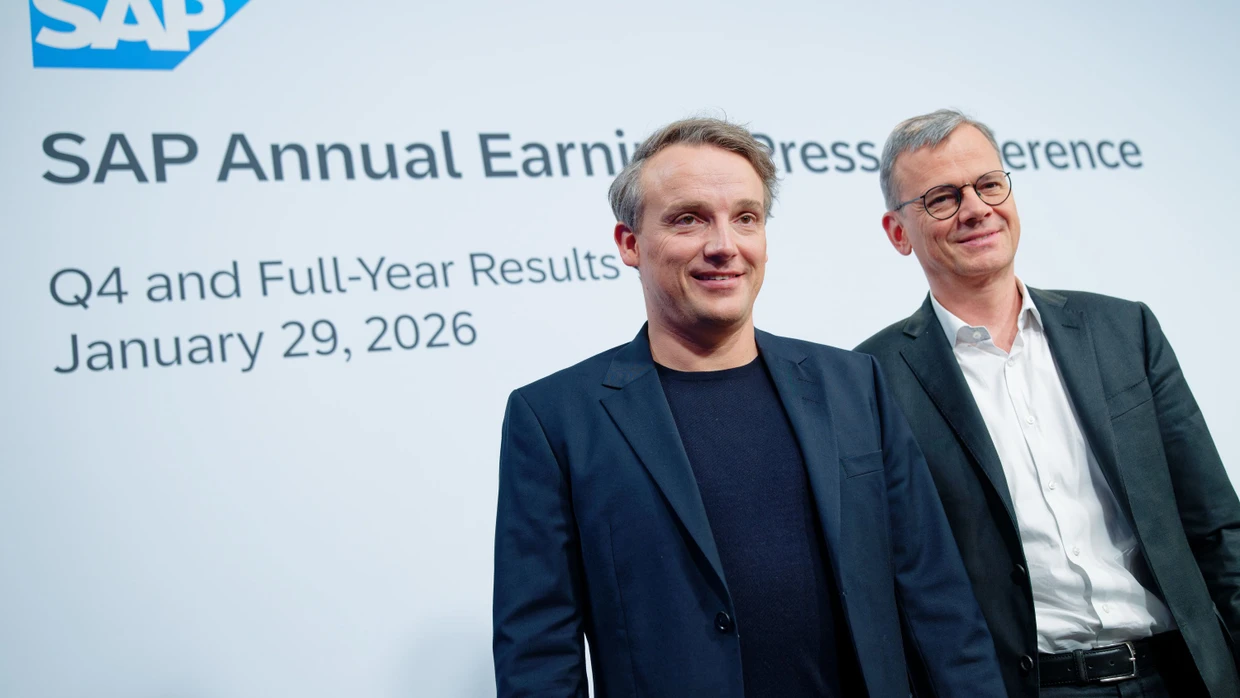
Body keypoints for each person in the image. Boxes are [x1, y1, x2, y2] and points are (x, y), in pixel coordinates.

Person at [492, 117, 1005, 698]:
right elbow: (538, 656)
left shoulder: (853, 385)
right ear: (630, 244)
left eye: (745, 218)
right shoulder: (556, 418)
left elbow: (938, 601)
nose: (723, 246)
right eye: (689, 219)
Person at [856, 108, 1240, 697]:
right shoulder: (870, 377)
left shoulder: (1124, 330)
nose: (977, 208)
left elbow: (1215, 526)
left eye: (989, 184)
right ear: (898, 233)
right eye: (942, 198)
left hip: (1180, 675)